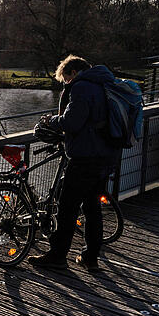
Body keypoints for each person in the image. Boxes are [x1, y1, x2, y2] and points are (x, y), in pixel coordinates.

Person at [28, 55, 119, 272]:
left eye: (66, 79)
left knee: (67, 208)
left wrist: (51, 120)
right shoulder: (105, 83)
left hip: (86, 157)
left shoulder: (82, 88)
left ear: (74, 73)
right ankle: (90, 257)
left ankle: (58, 256)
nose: (67, 84)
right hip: (106, 155)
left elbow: (72, 122)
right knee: (92, 207)